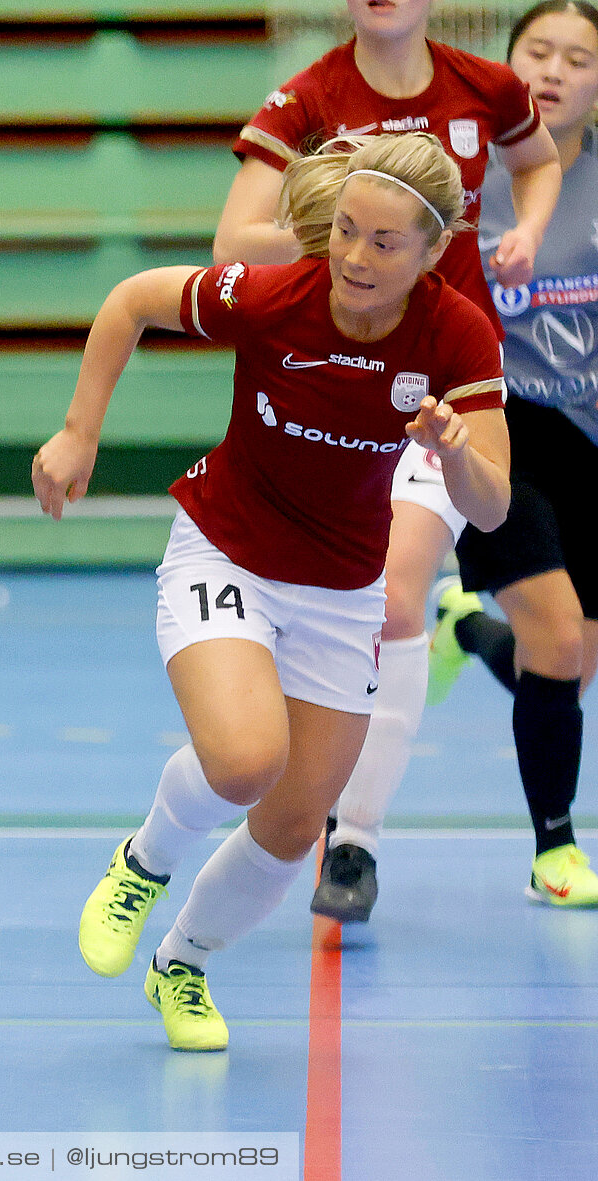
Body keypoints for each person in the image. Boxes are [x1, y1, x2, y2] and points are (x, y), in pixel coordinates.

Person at [39, 132, 510, 1050]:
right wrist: (76, 431)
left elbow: (488, 509)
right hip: (225, 553)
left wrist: (454, 452)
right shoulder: (273, 296)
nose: (354, 258)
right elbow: (132, 300)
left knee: (294, 827)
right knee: (246, 761)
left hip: (341, 590)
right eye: (344, 232)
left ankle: (181, 963)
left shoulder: (456, 334)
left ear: (431, 251)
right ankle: (144, 860)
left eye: (384, 242)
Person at [209, 0, 563, 923]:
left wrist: (527, 228)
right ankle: (434, 642)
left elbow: (539, 157)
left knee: (395, 591)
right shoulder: (308, 99)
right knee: (360, 606)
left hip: (439, 390)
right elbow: (232, 245)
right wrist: (361, 234)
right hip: (334, 385)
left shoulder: (485, 86)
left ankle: (355, 840)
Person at [347, 1, 598, 909]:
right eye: (538, 50)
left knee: (568, 659)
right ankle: (554, 849)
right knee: (561, 634)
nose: (556, 70)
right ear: (507, 66)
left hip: (588, 435)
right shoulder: (458, 174)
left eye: (578, 57)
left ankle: (467, 630)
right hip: (497, 425)